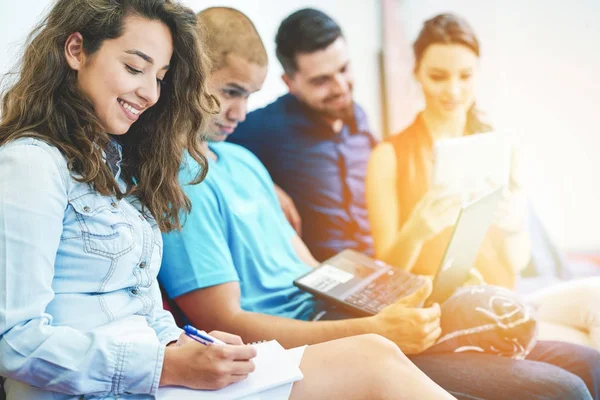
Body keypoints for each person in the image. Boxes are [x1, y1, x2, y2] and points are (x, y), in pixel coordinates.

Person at [0, 1, 456, 399]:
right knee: (372, 358)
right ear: (76, 49)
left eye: (159, 77)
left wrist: (187, 342)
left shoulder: (122, 170)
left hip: (152, 376)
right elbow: (13, 341)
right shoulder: (30, 165)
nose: (149, 92)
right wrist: (167, 364)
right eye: (135, 68)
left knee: (379, 351)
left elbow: (137, 311)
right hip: (102, 389)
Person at [160, 7, 600, 400]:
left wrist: (389, 290)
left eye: (248, 96)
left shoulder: (243, 159)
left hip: (342, 309)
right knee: (563, 390)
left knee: (587, 364)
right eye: (231, 91)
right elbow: (228, 323)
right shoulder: (178, 181)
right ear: (191, 76)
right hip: (329, 343)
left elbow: (312, 269)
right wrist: (373, 327)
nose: (238, 111)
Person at [366, 13, 600, 351]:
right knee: (583, 346)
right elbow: (385, 279)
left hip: (506, 296)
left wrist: (512, 224)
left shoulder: (496, 144)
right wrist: (417, 230)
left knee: (596, 299)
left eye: (465, 76)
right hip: (447, 308)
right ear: (416, 72)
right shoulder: (389, 156)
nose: (453, 90)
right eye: (438, 77)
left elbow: (517, 262)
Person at [227, 8, 376, 262]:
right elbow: (199, 149)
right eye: (322, 81)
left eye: (344, 69)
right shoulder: (266, 127)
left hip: (378, 267)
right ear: (290, 82)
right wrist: (264, 185)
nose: (340, 87)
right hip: (318, 279)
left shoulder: (359, 117)